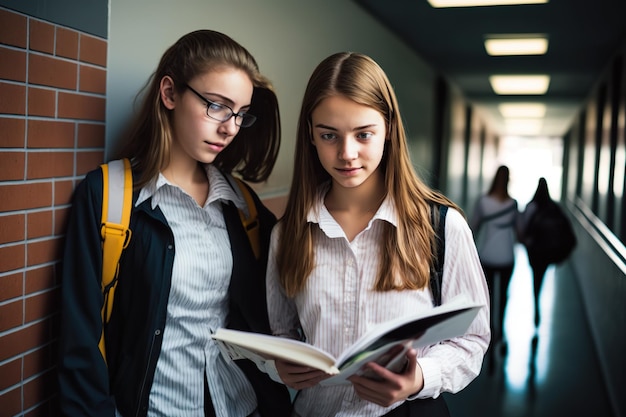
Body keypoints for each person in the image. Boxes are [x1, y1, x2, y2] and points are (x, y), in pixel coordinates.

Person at [57, 30, 292, 417]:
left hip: (240, 406)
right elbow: (80, 342)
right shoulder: (108, 197)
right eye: (217, 106)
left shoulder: (242, 206)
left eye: (240, 114)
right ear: (169, 94)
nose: (230, 127)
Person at [264, 52, 490, 417]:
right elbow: (281, 333)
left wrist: (418, 378)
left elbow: (472, 339)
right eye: (328, 135)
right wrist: (280, 365)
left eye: (363, 134)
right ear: (310, 135)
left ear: (389, 129)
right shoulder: (287, 235)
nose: (346, 153)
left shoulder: (441, 226)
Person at [470, 165, 520, 351]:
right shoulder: (513, 204)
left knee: (488, 297)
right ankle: (501, 331)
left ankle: (489, 331)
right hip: (507, 256)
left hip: (487, 256)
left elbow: (472, 227)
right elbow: (520, 233)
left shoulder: (483, 201)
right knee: (503, 297)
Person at [520, 177, 575, 329]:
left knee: (535, 278)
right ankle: (537, 301)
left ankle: (536, 302)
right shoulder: (554, 207)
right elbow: (567, 232)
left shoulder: (531, 206)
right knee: (540, 278)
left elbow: (524, 229)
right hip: (547, 253)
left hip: (535, 252)